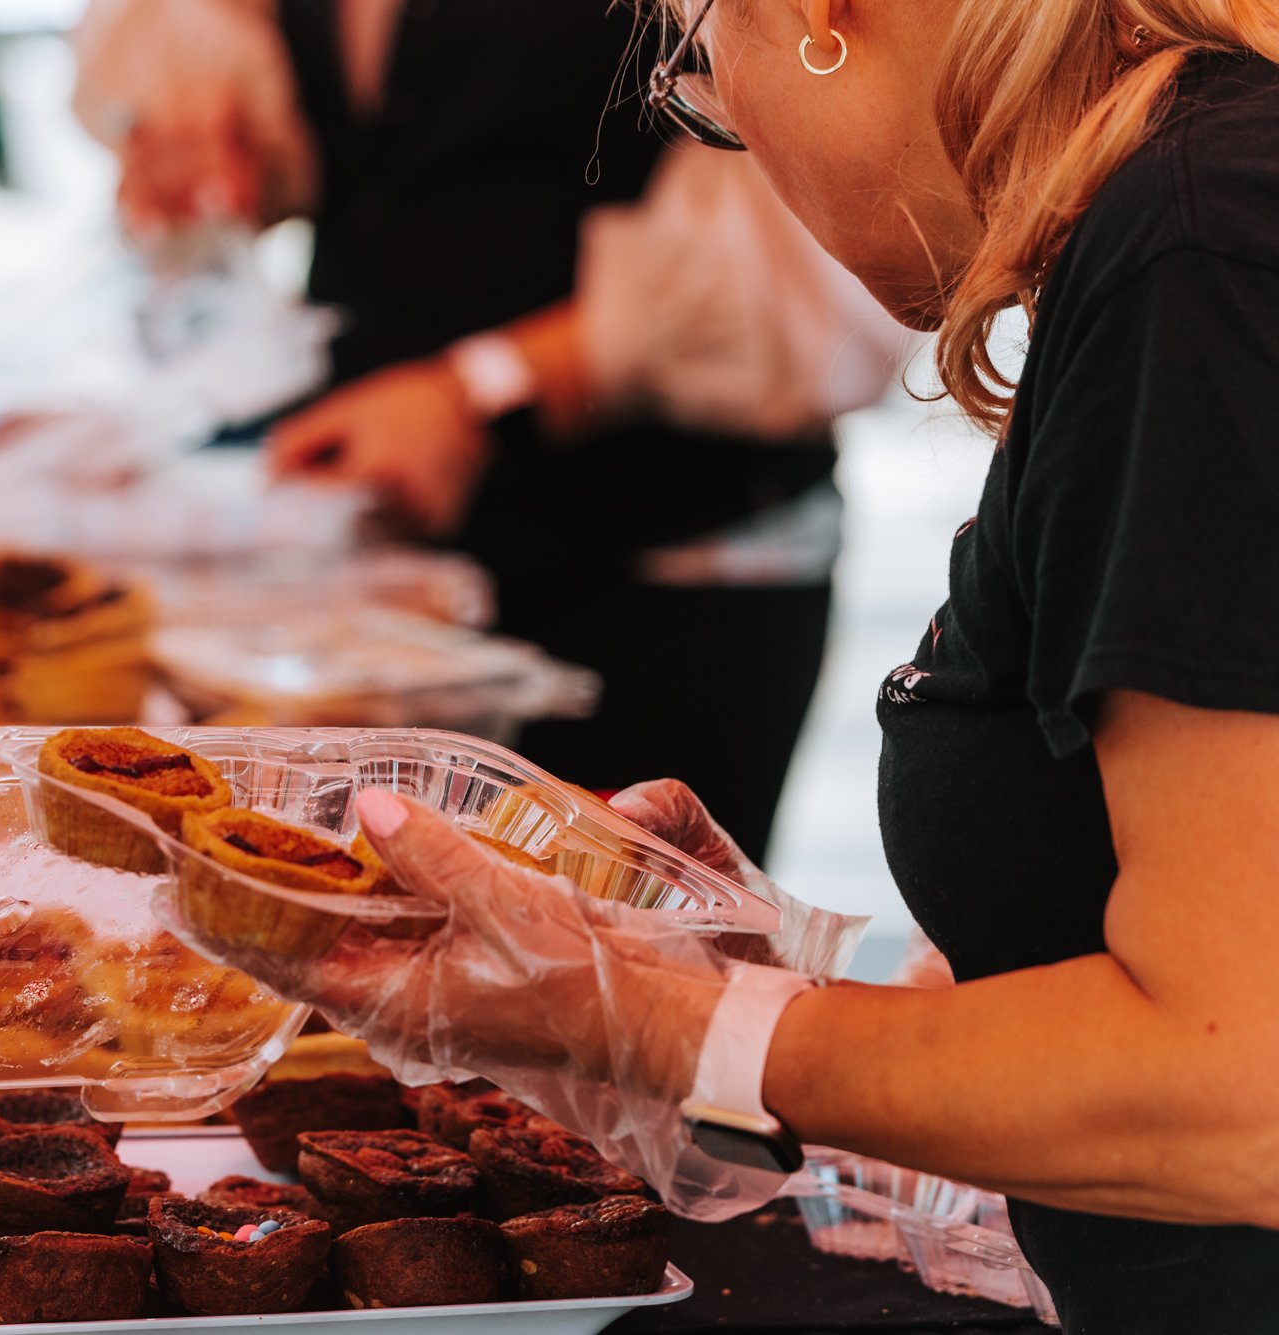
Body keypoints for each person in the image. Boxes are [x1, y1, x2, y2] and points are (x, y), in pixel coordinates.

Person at [158, 2, 1279, 1331]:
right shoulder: (1183, 208)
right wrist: (735, 984)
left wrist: (640, 1013)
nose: (736, 134)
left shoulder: (1202, 238)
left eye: (705, 90)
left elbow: (1234, 1088)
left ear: (815, 15)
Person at [72, 0, 905, 862]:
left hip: (662, 567)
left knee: (616, 963)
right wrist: (200, 111)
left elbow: (825, 266)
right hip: (397, 567)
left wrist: (478, 390)